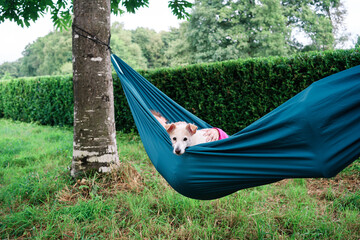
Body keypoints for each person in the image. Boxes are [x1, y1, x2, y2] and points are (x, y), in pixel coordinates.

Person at [151, 110, 229, 142]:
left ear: (163, 118)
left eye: (154, 119)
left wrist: (216, 131)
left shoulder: (180, 125)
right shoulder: (161, 139)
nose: (154, 123)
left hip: (217, 140)